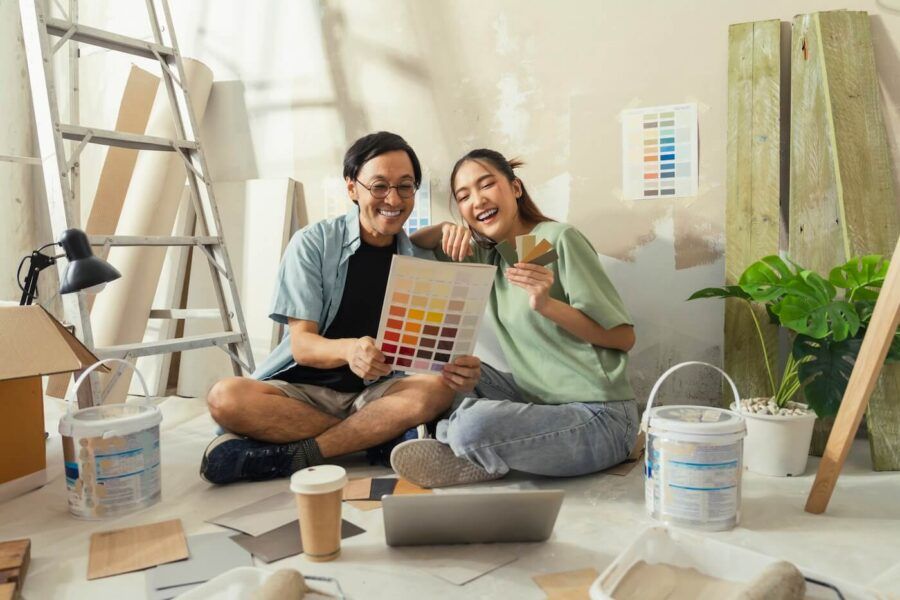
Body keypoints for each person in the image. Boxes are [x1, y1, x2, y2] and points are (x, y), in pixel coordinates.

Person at [199, 132, 481, 485]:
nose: (393, 199)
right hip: (303, 394)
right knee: (226, 398)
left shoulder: (421, 257)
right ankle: (380, 440)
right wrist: (350, 350)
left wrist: (457, 369)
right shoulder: (313, 243)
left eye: (405, 186)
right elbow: (302, 345)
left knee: (438, 388)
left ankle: (297, 455)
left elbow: (430, 352)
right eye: (379, 186)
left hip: (378, 394)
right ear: (352, 188)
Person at [391, 148, 638, 488]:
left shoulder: (557, 240)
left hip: (599, 416)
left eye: (486, 185)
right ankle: (479, 448)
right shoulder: (489, 255)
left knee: (472, 425)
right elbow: (409, 249)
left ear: (516, 188)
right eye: (464, 197)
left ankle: (458, 440)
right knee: (453, 367)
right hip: (538, 401)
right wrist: (445, 229)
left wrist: (548, 305)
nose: (477, 201)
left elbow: (623, 337)